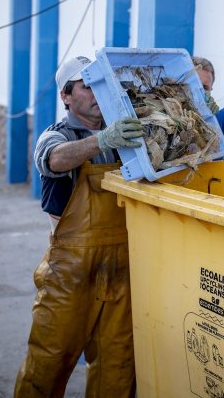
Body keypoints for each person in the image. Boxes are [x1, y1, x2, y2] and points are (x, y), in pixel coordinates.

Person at [14, 56, 143, 397]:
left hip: (122, 269)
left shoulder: (126, 133)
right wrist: (99, 141)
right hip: (69, 272)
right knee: (48, 361)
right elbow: (55, 159)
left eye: (100, 83)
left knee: (118, 365)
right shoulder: (55, 136)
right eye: (87, 85)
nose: (96, 92)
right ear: (66, 96)